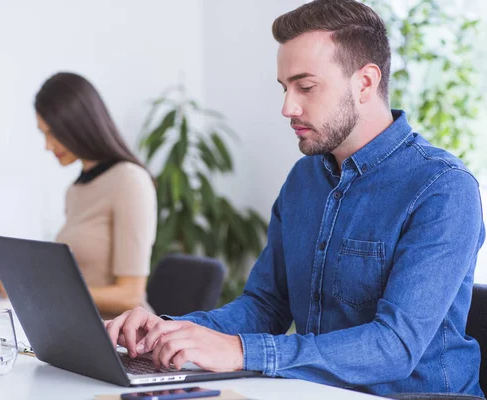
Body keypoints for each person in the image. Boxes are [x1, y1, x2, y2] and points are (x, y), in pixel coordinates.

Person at [104, 1, 485, 398]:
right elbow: (266, 306)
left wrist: (240, 351)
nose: (288, 107)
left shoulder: (443, 188)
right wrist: (169, 331)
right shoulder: (304, 179)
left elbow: (395, 347)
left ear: (365, 83)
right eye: (285, 88)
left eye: (306, 87)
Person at [34, 72, 157, 320]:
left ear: (78, 125)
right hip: (81, 326)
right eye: (43, 134)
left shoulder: (129, 180)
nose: (48, 146)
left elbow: (130, 296)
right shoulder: (76, 190)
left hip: (121, 339)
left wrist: (45, 291)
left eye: (53, 133)